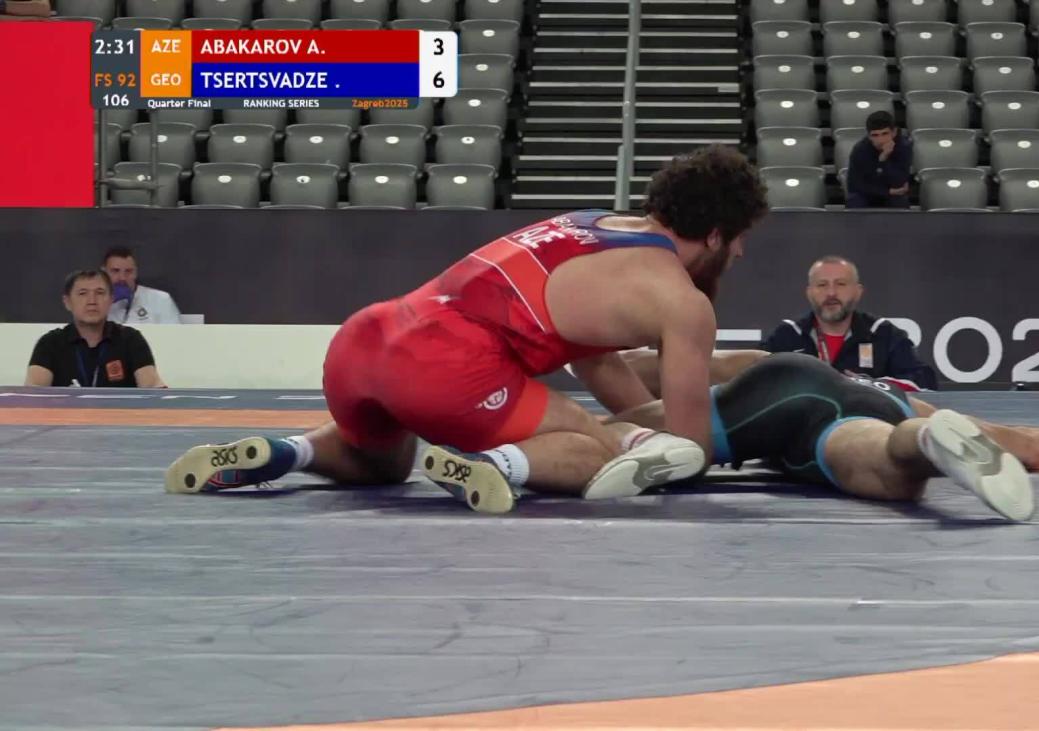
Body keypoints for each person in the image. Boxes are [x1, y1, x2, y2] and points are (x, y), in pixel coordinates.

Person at [164, 145, 770, 513]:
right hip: (449, 366)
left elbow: (597, 360)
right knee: (599, 451)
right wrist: (633, 439)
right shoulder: (682, 302)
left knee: (383, 464)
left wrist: (633, 422)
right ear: (717, 235)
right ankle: (494, 465)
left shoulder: (589, 223)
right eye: (741, 240)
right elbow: (689, 447)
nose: (742, 255)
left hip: (368, 339)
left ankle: (286, 452)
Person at [606, 353, 1039, 521]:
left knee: (615, 435)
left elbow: (695, 366)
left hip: (780, 385)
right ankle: (927, 441)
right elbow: (1030, 446)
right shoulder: (902, 397)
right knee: (892, 466)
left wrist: (609, 365)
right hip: (879, 415)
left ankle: (628, 439)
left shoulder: (790, 361)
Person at [759, 255, 937, 390]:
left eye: (841, 284)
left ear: (858, 292)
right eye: (822, 285)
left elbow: (924, 382)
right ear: (809, 292)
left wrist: (871, 385)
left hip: (866, 422)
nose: (831, 293)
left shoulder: (883, 334)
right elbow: (755, 381)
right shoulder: (788, 335)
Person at [25, 269, 167, 388]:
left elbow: (152, 387)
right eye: (83, 293)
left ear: (111, 300)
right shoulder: (50, 343)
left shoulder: (131, 340)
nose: (92, 301)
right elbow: (33, 393)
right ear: (67, 302)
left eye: (100, 293)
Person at [845, 111, 913, 209]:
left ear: (894, 132)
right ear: (869, 136)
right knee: (854, 200)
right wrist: (887, 191)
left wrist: (884, 160)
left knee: (900, 201)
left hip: (892, 195)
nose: (880, 140)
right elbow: (855, 185)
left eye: (885, 133)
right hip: (867, 194)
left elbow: (899, 183)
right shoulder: (860, 150)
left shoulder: (903, 147)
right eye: (875, 135)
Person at [103, 246, 183, 325]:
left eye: (128, 271)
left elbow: (175, 332)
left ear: (135, 273)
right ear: (104, 272)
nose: (122, 278)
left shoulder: (161, 300)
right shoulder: (97, 301)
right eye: (115, 271)